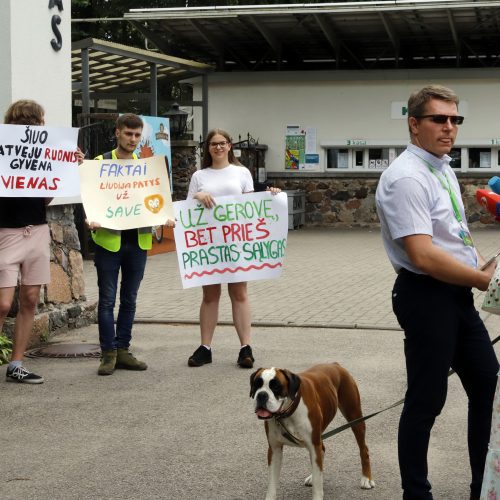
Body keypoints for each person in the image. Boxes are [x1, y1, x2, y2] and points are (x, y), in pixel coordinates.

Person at [375, 85, 499, 500]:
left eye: (455, 120)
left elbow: (451, 235)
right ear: (414, 124)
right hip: (425, 294)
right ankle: (416, 493)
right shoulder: (406, 177)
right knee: (426, 399)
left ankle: (484, 486)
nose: (449, 128)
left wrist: (480, 265)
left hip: (456, 291)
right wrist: (485, 282)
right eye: (439, 119)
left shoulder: (441, 167)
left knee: (485, 378)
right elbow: (424, 256)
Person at [0, 99, 84, 384]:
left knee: (31, 299)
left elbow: (45, 198)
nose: (31, 125)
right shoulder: (3, 151)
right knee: (2, 302)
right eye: (24, 120)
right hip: (6, 233)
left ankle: (16, 365)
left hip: (36, 229)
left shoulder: (43, 155)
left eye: (35, 121)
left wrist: (66, 167)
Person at [87, 113, 174, 376]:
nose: (133, 139)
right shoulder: (100, 163)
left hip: (137, 241)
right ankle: (108, 353)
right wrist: (90, 217)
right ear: (117, 133)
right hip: (108, 242)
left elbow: (156, 199)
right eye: (128, 134)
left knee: (130, 299)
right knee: (106, 300)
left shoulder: (147, 166)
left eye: (137, 135)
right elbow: (89, 197)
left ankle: (123, 350)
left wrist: (165, 217)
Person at [186, 128, 280, 369]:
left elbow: (251, 204)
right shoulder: (199, 176)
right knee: (210, 296)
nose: (218, 147)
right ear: (208, 148)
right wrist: (198, 196)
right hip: (210, 244)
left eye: (222, 143)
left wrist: (271, 196)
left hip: (236, 242)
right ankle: (205, 347)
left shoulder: (241, 172)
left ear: (229, 146)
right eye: (213, 144)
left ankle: (245, 347)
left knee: (239, 294)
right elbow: (187, 208)